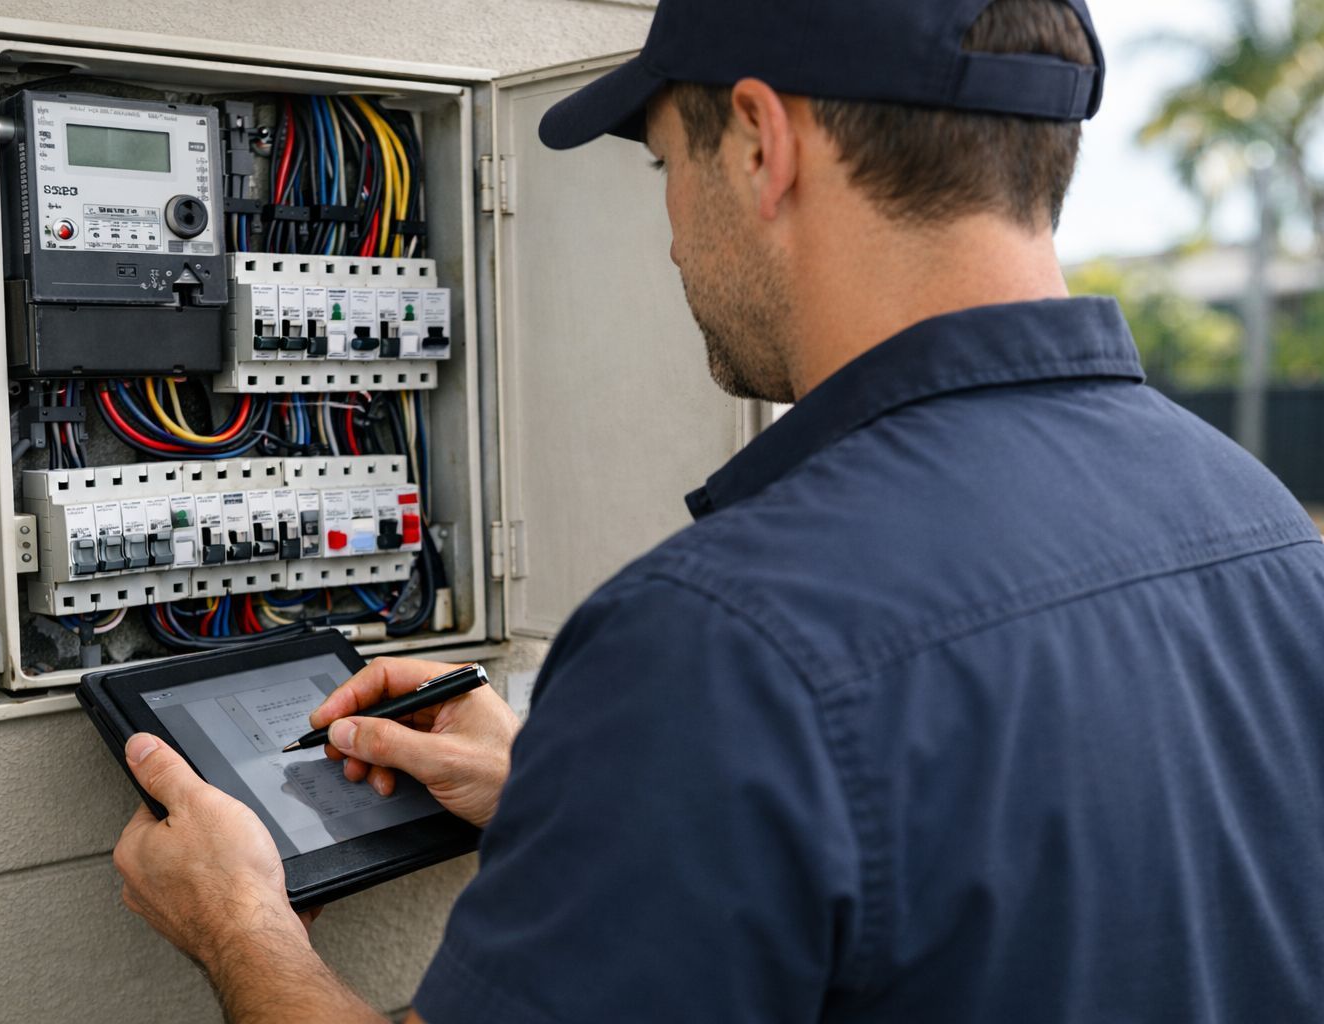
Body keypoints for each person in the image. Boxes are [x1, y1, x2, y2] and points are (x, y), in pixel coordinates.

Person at [112, 0, 1324, 1020]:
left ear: (757, 143)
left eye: (663, 169)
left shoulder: (720, 639)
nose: (675, 241)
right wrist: (590, 792)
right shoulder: (1266, 532)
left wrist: (239, 925)